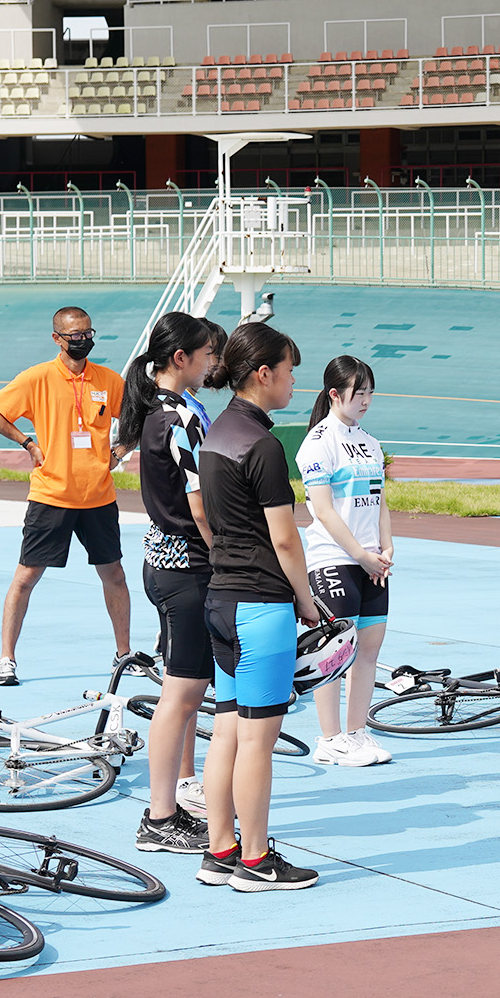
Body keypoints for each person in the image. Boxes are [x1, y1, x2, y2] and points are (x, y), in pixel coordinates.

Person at [196, 321, 328, 892]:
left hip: (221, 599)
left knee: (227, 730)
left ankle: (218, 849)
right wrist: (307, 599)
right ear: (263, 373)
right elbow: (285, 538)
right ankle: (255, 859)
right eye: (290, 371)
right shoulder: (266, 445)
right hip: (261, 604)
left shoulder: (215, 433)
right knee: (258, 738)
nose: (295, 382)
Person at [0, 306, 134, 686]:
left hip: (98, 496)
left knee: (113, 573)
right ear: (57, 339)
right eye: (75, 336)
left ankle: (124, 654)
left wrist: (119, 451)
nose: (83, 341)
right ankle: (5, 659)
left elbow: (139, 418)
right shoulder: (36, 378)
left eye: (87, 333)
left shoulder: (108, 380)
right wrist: (27, 443)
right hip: (52, 495)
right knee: (27, 576)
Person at [119, 313, 222, 853]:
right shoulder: (176, 416)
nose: (212, 363)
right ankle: (159, 818)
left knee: (183, 691)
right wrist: (223, 554)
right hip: (185, 567)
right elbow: (198, 503)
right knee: (181, 695)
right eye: (206, 354)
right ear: (180, 358)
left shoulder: (168, 411)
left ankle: (173, 801)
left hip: (174, 563)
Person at [297, 354, 395, 767]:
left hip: (372, 561)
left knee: (369, 648)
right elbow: (324, 510)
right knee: (335, 650)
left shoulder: (370, 442)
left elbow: (380, 501)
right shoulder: (319, 443)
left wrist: (386, 549)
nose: (366, 400)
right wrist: (359, 554)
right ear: (335, 393)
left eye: (370, 392)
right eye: (360, 393)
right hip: (334, 558)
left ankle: (357, 732)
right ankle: (330, 738)